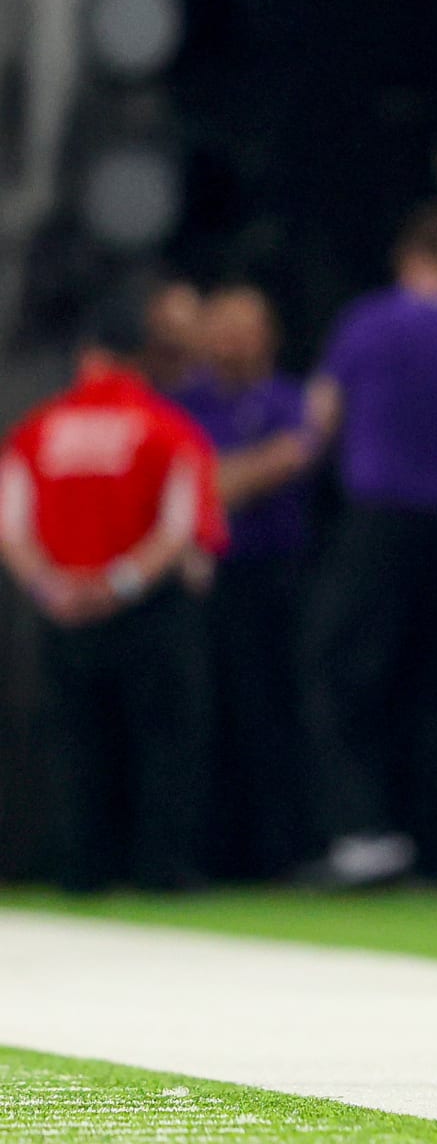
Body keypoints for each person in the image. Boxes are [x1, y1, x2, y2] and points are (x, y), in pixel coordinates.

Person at [302, 201, 437, 886]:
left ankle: (365, 833)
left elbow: (321, 416)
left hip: (381, 520)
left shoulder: (368, 323)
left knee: (343, 668)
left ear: (405, 257)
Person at [0, 285, 226, 891]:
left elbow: (11, 527)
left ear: (85, 357)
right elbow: (181, 530)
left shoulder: (36, 430)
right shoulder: (168, 429)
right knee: (163, 741)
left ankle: (85, 868)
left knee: (77, 742)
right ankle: (160, 868)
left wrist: (52, 589)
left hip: (62, 612)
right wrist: (117, 586)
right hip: (146, 611)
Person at [176, 285, 318, 880]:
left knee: (271, 718)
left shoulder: (290, 399)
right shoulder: (182, 403)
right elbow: (185, 484)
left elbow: (291, 458)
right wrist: (249, 470)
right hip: (200, 583)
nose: (231, 342)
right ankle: (206, 857)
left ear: (270, 337)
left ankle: (279, 857)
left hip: (273, 580)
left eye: (244, 330)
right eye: (221, 329)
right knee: (201, 720)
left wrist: (212, 481)